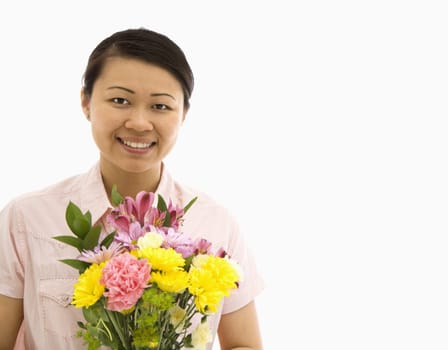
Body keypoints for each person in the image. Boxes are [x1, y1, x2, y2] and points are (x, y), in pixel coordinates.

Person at [0, 27, 264, 350]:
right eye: (120, 100)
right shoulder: (28, 219)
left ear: (184, 114)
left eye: (160, 106)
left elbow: (244, 344)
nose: (139, 122)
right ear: (86, 102)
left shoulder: (216, 224)